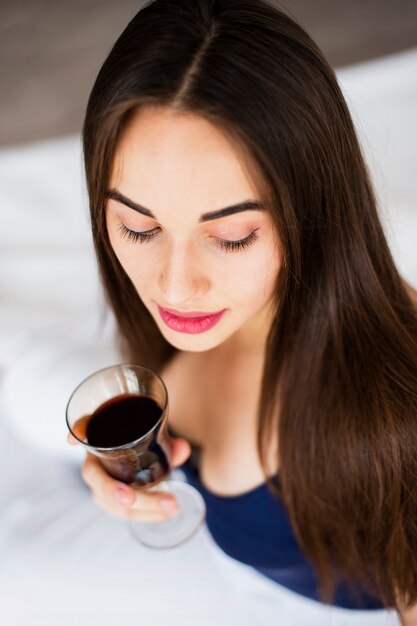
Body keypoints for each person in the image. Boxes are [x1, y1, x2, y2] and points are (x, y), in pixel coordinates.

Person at [70, 0, 417, 622]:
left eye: (231, 237)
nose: (175, 288)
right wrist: (113, 471)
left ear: (314, 209)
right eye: (138, 226)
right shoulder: (173, 339)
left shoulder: (398, 411)